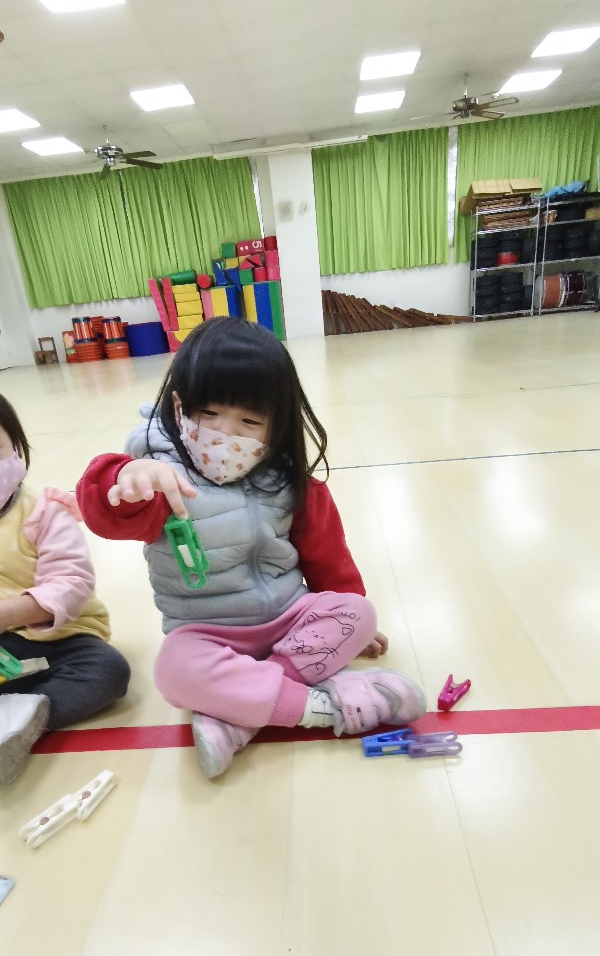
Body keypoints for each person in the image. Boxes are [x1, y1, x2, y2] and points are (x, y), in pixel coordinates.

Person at [76, 319, 425, 779]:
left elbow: (328, 559)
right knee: (173, 670)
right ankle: (320, 707)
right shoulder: (158, 476)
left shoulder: (290, 482)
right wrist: (124, 478)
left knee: (359, 613)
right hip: (208, 634)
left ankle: (239, 715)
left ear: (276, 425)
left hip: (289, 619)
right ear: (179, 405)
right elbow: (104, 512)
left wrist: (350, 620)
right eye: (209, 413)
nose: (225, 435)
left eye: (249, 421)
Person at [0, 395, 130, 786]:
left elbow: (71, 583)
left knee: (107, 671)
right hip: (7, 649)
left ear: (15, 446)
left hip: (63, 640)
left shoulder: (43, 510)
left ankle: (24, 717)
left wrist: (7, 614)